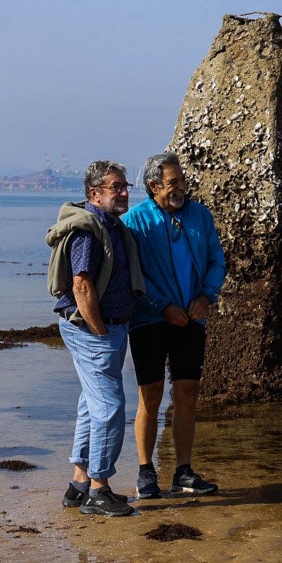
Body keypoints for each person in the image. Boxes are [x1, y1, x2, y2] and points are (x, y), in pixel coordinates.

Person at [122, 152, 227, 499]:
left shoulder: (200, 215)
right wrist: (162, 306)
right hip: (150, 320)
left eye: (182, 180)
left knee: (188, 394)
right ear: (153, 186)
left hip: (193, 316)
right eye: (173, 182)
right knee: (149, 396)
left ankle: (183, 471)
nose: (182, 187)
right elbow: (133, 275)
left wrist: (207, 297)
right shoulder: (135, 221)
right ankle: (145, 471)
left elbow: (216, 260)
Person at [46, 160, 145, 517]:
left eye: (124, 187)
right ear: (94, 194)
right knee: (110, 408)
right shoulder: (88, 230)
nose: (122, 193)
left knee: (91, 404)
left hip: (111, 327)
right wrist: (100, 330)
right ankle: (100, 490)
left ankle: (79, 484)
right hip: (93, 330)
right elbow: (81, 284)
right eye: (115, 187)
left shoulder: (112, 225)